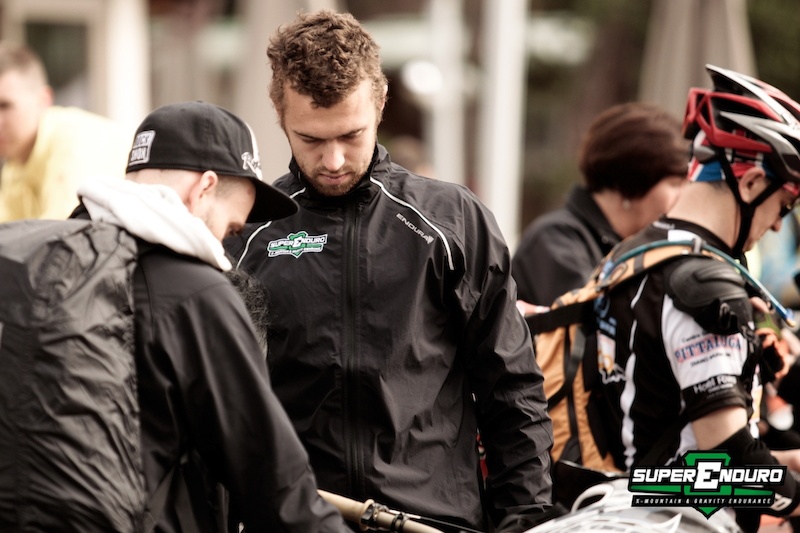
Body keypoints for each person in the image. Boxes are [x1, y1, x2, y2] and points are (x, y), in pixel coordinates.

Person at [228, 9, 553, 532]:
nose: (333, 159)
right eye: (310, 139)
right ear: (279, 115)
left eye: (350, 135)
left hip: (436, 520)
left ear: (380, 104)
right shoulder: (245, 231)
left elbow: (510, 386)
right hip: (299, 519)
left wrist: (527, 516)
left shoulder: (453, 219)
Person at [74, 101, 348, 532]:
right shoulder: (196, 294)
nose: (225, 248)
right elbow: (274, 481)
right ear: (203, 189)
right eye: (232, 228)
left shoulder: (49, 261)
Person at [593, 65, 800, 531]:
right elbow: (728, 453)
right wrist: (792, 495)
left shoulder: (635, 250)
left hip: (633, 505)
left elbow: (658, 465)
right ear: (749, 183)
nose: (777, 226)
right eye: (783, 206)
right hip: (682, 522)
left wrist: (781, 464)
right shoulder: (704, 282)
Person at [512, 102, 688, 308]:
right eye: (675, 184)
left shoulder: (637, 247)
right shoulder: (555, 241)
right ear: (631, 179)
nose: (683, 196)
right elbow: (595, 328)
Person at [0, 41, 130, 222]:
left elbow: (63, 239)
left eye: (5, 106)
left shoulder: (75, 143)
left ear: (43, 100)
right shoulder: (14, 165)